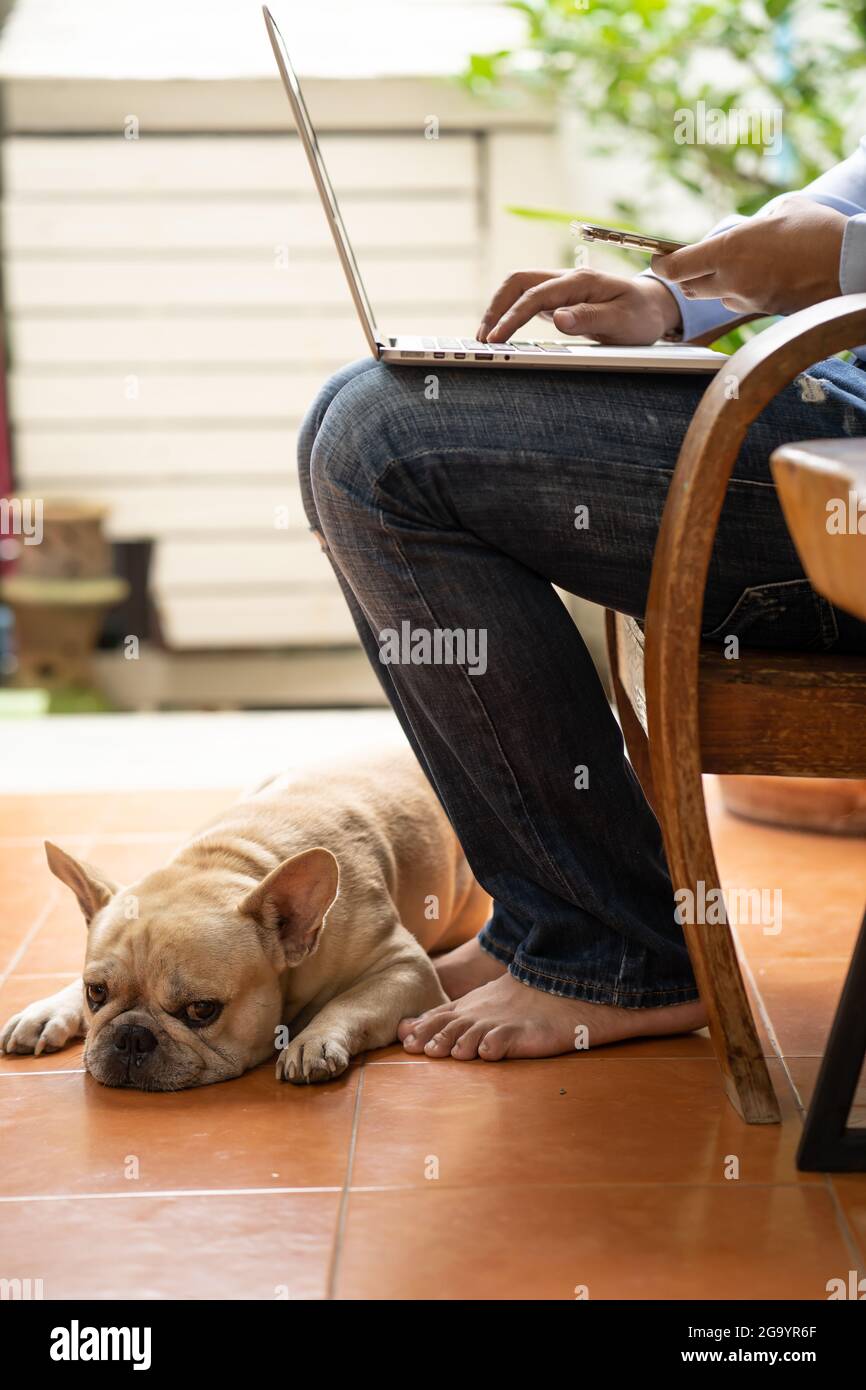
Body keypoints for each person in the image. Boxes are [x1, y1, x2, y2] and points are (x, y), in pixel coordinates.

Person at [297, 138, 866, 1064]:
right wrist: (674, 299)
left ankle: (616, 951)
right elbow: (840, 202)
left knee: (381, 445)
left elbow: (839, 245)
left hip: (848, 475)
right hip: (825, 401)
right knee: (347, 415)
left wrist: (843, 261)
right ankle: (555, 921)